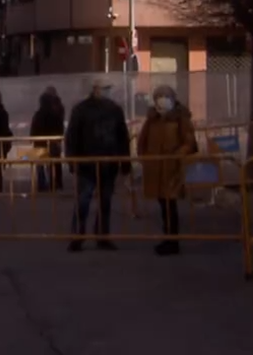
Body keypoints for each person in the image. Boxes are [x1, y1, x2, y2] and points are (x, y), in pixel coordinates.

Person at [64, 81, 131, 252]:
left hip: (109, 163)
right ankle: (77, 236)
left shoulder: (115, 110)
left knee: (105, 201)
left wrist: (125, 161)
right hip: (86, 164)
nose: (107, 91)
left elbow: (122, 136)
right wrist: (72, 160)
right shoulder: (81, 110)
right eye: (104, 88)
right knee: (83, 201)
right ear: (95, 89)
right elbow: (72, 136)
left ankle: (102, 235)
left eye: (109, 88)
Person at [136, 84, 198, 256]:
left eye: (165, 96)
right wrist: (144, 157)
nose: (162, 99)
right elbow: (142, 141)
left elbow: (189, 142)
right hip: (155, 169)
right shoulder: (152, 119)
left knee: (170, 204)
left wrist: (178, 155)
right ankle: (168, 237)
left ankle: (172, 240)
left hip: (172, 169)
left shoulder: (181, 118)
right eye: (159, 96)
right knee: (163, 204)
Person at [30, 86, 66, 192]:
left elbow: (34, 127)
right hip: (53, 141)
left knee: (40, 164)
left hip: (40, 142)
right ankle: (56, 183)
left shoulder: (38, 114)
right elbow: (60, 126)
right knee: (54, 163)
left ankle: (42, 184)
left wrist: (32, 138)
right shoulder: (56, 112)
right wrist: (59, 139)